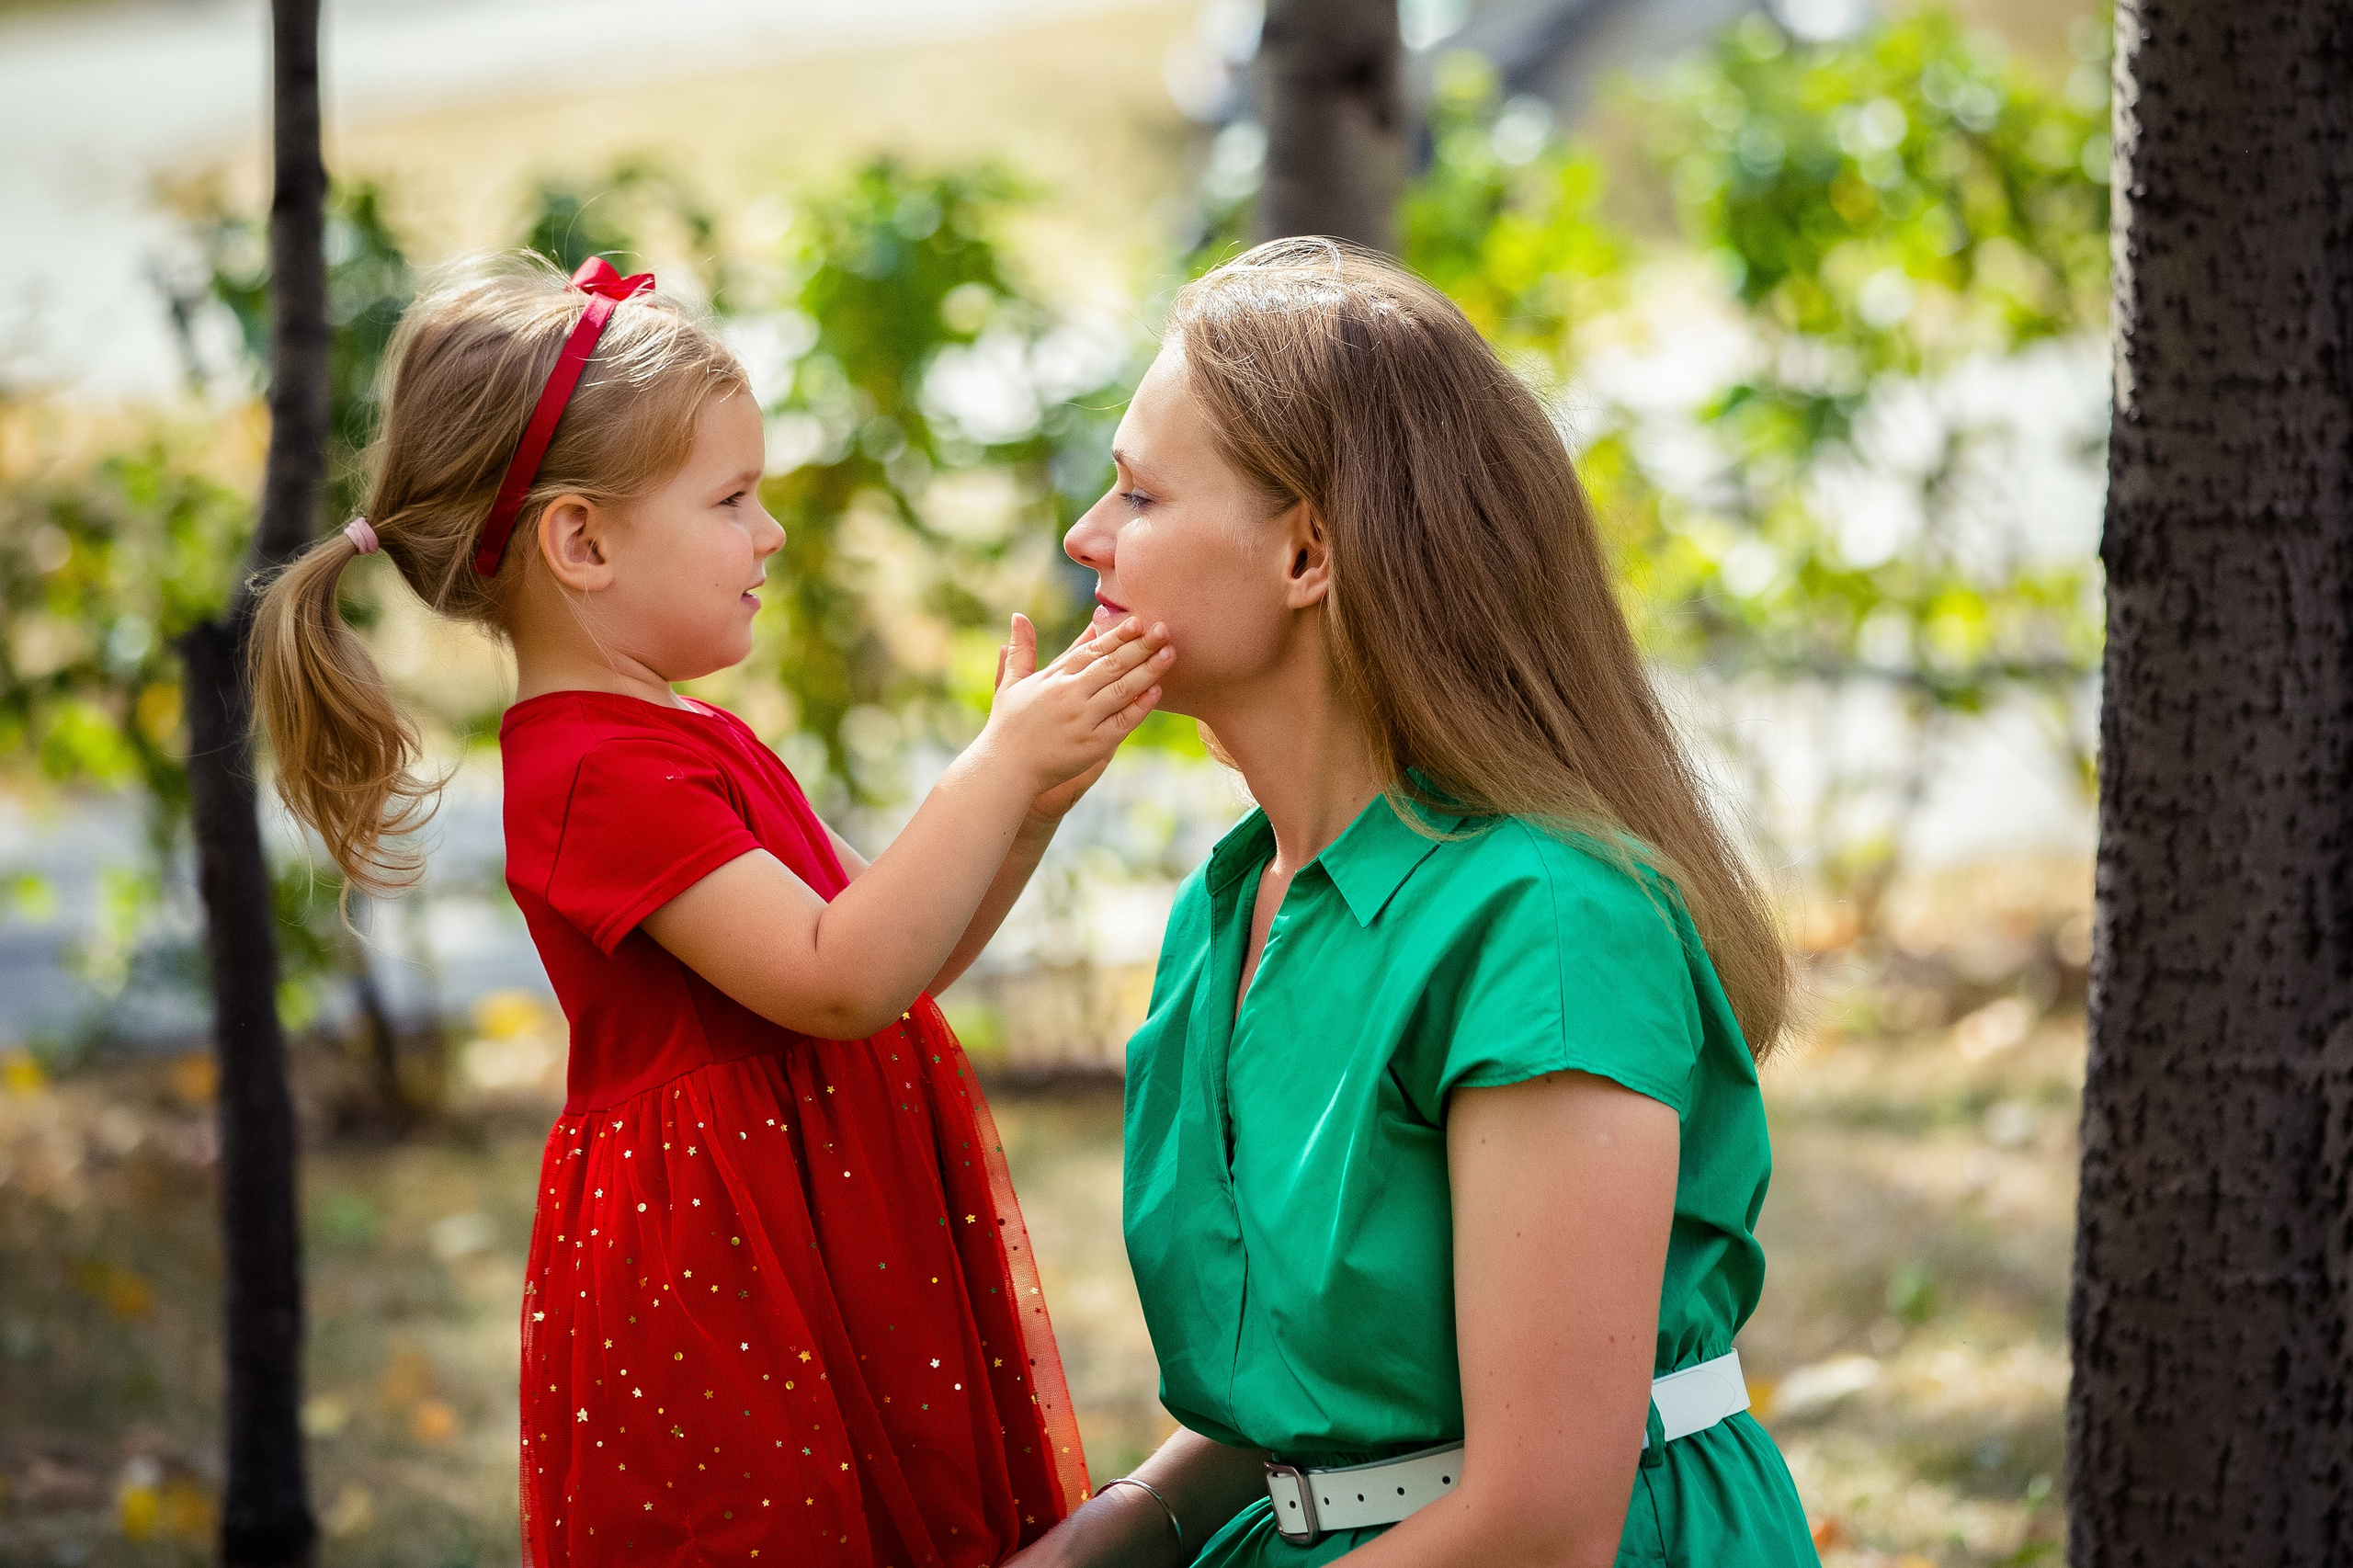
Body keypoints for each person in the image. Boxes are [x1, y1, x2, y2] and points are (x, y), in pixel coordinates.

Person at [250, 256, 1174, 1567]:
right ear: (582, 541)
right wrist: (997, 767)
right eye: (733, 499)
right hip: (727, 1286)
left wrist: (1026, 809)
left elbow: (894, 956)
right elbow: (838, 976)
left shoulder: (675, 732)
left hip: (816, 1225)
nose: (770, 533)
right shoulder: (591, 774)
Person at [1010, 239, 1819, 1568]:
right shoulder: (1230, 907)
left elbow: (1544, 1519)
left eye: (1140, 495)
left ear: (1308, 554)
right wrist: (1101, 1544)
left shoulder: (1547, 921)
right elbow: (1334, 1403)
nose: (1086, 536)